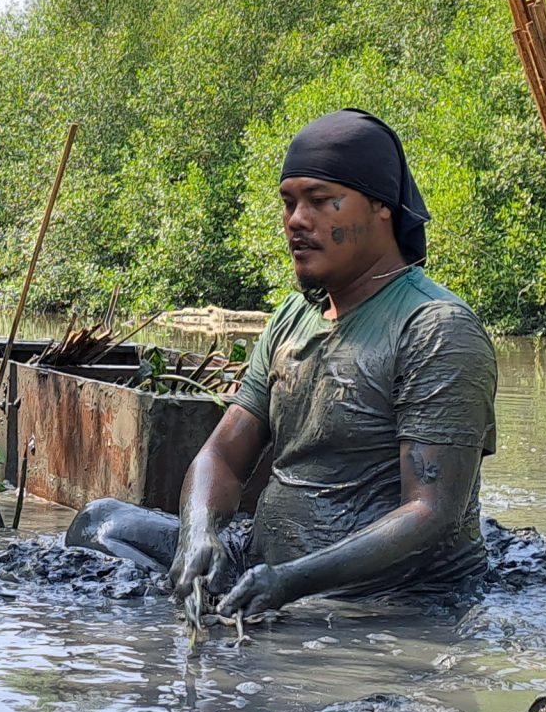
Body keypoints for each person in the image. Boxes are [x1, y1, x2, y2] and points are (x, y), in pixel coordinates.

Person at [66, 108, 496, 617]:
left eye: (319, 201)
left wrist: (292, 582)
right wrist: (199, 534)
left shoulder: (435, 328)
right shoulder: (295, 315)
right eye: (289, 203)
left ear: (382, 206)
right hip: (265, 565)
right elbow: (222, 457)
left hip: (386, 595)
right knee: (98, 522)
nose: (296, 220)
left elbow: (431, 511)